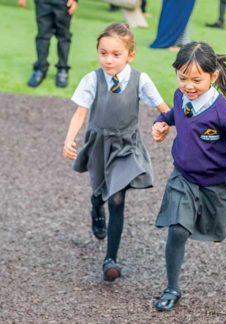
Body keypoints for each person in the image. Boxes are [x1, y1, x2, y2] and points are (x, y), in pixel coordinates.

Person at [151, 42, 226, 311]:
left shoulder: (224, 112)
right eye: (182, 78)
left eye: (196, 80)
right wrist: (162, 122)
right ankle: (172, 287)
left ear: (213, 76)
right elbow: (176, 114)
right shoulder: (180, 96)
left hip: (217, 183)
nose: (188, 86)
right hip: (183, 177)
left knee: (218, 231)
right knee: (177, 229)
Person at [63, 23, 169, 282]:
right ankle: (95, 205)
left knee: (118, 199)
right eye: (103, 53)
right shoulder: (92, 79)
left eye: (115, 54)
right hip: (99, 144)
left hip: (126, 146)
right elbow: (80, 113)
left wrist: (164, 125)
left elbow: (163, 109)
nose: (108, 60)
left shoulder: (140, 79)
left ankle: (111, 258)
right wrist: (69, 139)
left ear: (130, 55)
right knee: (100, 192)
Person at [18, 0, 78, 88]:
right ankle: (40, 69)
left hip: (64, 3)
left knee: (64, 36)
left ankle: (62, 69)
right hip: (43, 2)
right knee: (42, 36)